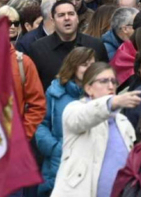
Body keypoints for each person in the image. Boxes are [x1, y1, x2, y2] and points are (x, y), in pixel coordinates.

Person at [50, 63, 141, 197]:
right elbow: (85, 116)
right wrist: (112, 103)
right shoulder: (74, 108)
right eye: (103, 81)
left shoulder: (123, 122)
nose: (110, 86)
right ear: (88, 88)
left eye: (114, 81)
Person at [35, 47, 95, 196]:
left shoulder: (100, 93)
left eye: (92, 64)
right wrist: (55, 148)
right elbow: (41, 124)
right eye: (84, 64)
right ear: (73, 66)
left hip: (90, 165)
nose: (89, 69)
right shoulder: (55, 92)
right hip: (59, 165)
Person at [30, 0, 109, 91]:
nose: (67, 18)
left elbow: (105, 79)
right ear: (53, 20)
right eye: (61, 15)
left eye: (71, 14)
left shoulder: (95, 45)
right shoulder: (38, 49)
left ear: (77, 18)